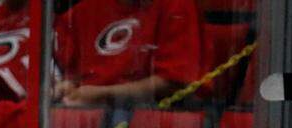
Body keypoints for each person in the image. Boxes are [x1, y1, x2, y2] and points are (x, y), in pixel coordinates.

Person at [53, 0, 203, 106]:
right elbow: (70, 74)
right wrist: (66, 86)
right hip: (86, 115)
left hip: (151, 117)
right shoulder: (81, 12)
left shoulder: (177, 6)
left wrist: (104, 94)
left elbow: (174, 82)